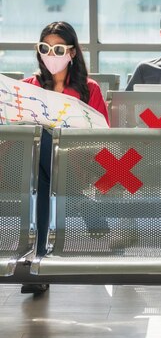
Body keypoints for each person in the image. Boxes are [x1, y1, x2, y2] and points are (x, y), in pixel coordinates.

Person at [22, 21, 109, 295]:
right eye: (45, 48)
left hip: (76, 162)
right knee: (42, 150)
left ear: (72, 53)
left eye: (58, 49)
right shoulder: (27, 87)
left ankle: (37, 261)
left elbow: (101, 135)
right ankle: (83, 205)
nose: (51, 54)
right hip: (31, 168)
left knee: (48, 147)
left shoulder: (89, 89)